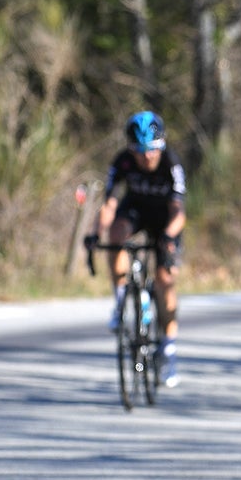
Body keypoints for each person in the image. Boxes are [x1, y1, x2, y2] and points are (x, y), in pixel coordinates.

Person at [94, 111, 187, 388]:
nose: (146, 158)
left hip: (165, 221)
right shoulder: (122, 161)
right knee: (116, 234)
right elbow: (109, 204)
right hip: (135, 211)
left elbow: (179, 212)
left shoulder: (171, 163)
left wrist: (169, 237)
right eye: (140, 151)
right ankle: (121, 298)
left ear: (161, 145)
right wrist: (93, 234)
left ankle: (168, 350)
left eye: (152, 151)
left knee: (165, 280)